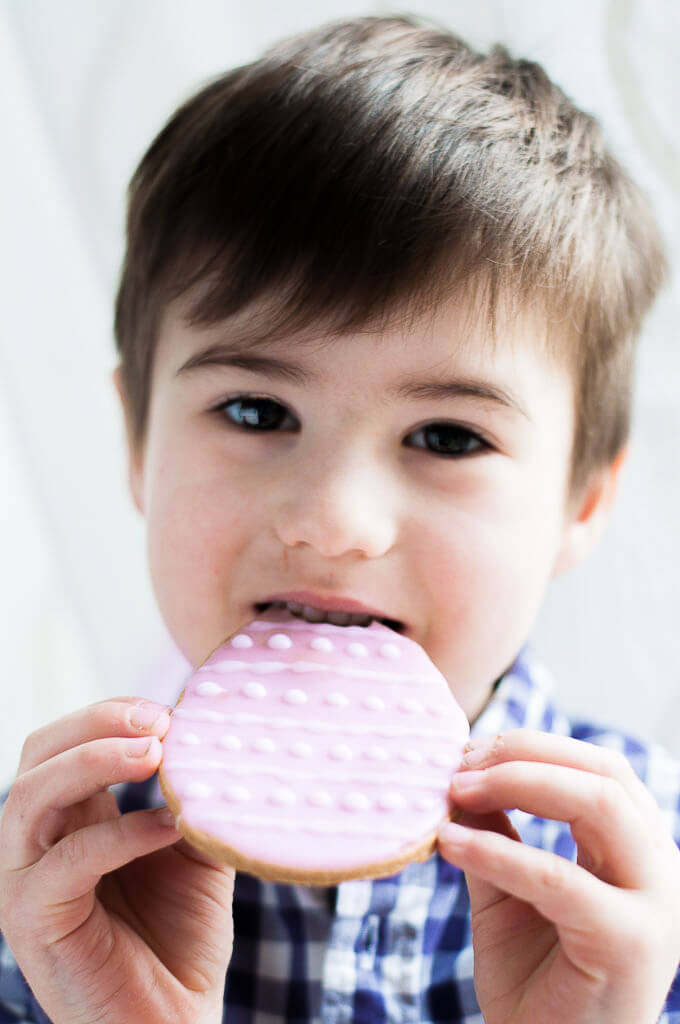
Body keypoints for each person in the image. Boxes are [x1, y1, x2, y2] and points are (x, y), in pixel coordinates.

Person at [1, 13, 679, 1023]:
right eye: (254, 411)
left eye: (446, 437)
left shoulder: (649, 875)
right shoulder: (48, 883)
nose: (333, 521)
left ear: (579, 502)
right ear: (140, 443)